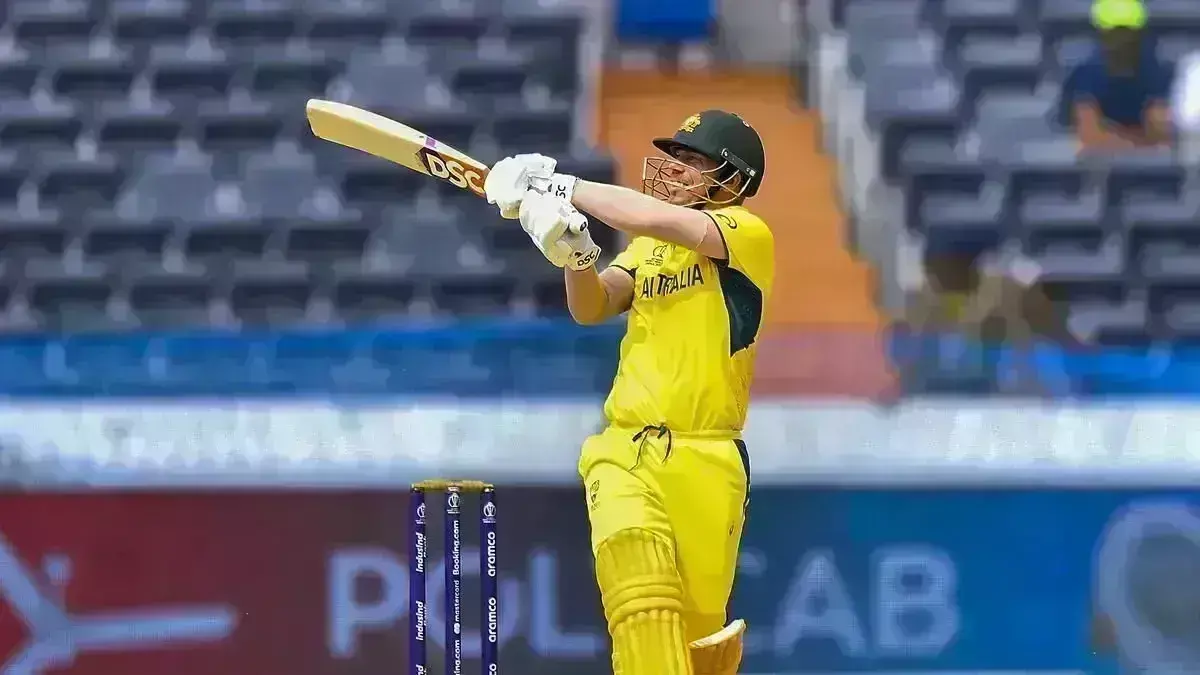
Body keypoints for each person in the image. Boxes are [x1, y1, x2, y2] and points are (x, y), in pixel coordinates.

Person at [483, 110, 773, 675]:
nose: (676, 169)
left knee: (696, 646)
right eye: (676, 157)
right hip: (624, 450)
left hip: (708, 458)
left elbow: (661, 219)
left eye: (693, 161)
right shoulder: (646, 250)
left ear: (733, 179)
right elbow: (593, 306)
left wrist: (561, 186)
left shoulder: (746, 235)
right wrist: (576, 255)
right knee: (641, 604)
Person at [1065, 0, 1174, 152]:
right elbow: (1090, 139)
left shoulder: (1158, 74)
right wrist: (1139, 141)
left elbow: (1161, 138)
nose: (1122, 41)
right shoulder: (1084, 75)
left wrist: (1113, 135)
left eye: (1128, 34)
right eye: (1114, 35)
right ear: (1101, 35)